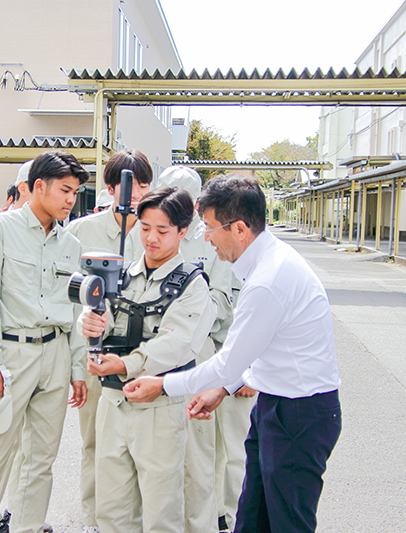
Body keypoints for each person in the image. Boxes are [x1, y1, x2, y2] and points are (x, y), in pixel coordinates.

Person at [124, 174, 342, 533]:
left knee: (287, 523)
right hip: (278, 404)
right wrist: (223, 389)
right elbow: (259, 349)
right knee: (252, 517)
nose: (206, 238)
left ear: (239, 229)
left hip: (299, 413)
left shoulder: (268, 281)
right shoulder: (267, 262)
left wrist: (162, 385)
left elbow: (227, 363)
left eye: (210, 228)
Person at [0, 150, 90, 533]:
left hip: (56, 354)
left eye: (75, 193)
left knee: (40, 460)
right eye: (64, 190)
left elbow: (76, 312)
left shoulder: (70, 245)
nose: (70, 200)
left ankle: (28, 527)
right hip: (12, 356)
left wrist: (78, 369)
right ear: (38, 186)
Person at [80, 186, 217, 533]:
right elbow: (102, 315)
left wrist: (126, 364)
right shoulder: (121, 275)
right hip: (113, 402)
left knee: (161, 512)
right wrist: (91, 324)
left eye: (162, 230)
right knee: (112, 510)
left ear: (183, 231)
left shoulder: (193, 285)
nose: (151, 238)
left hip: (159, 408)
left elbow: (178, 344)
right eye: (144, 228)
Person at [155, 166, 256, 533]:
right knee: (194, 449)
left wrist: (247, 369)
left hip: (224, 352)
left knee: (231, 449)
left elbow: (231, 305)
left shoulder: (214, 238)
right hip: (182, 355)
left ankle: (232, 518)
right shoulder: (160, 234)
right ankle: (208, 515)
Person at [65, 149, 153, 533]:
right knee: (94, 443)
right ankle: (93, 519)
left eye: (145, 185)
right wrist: (77, 360)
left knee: (141, 449)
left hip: (141, 360)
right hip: (94, 356)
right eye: (130, 185)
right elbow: (65, 295)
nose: (137, 193)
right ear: (110, 187)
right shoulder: (81, 232)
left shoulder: (154, 231)